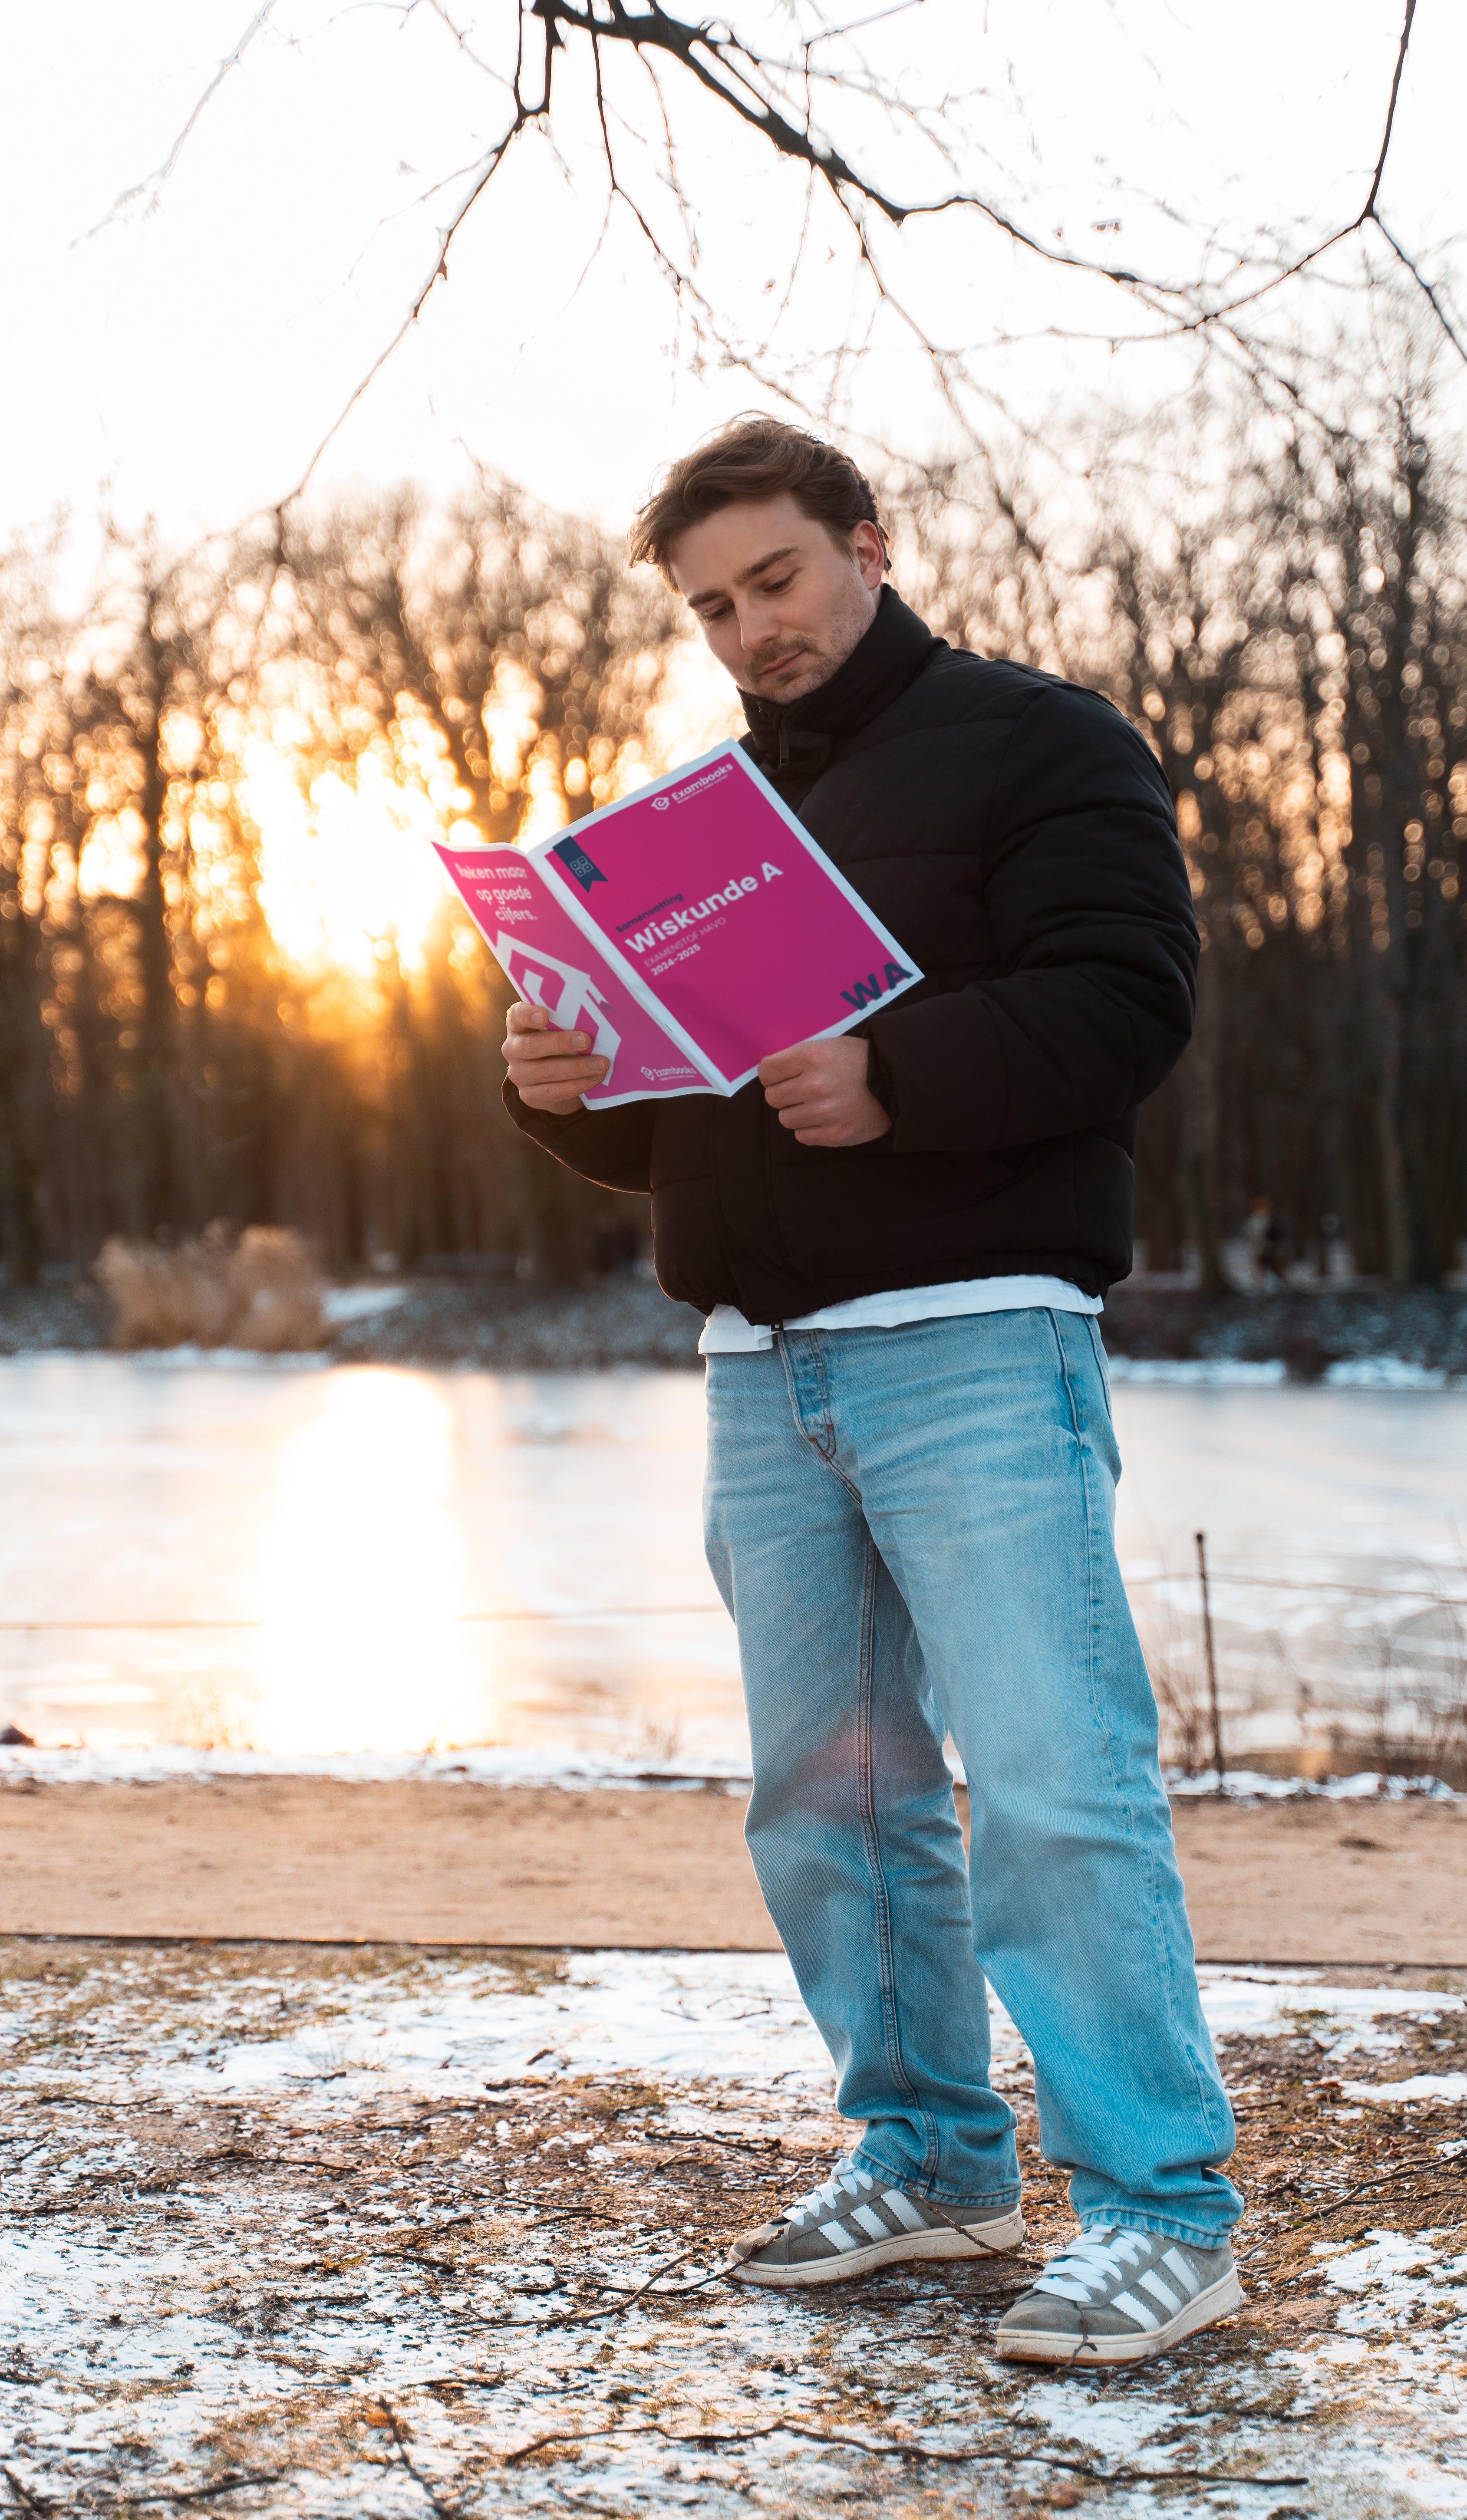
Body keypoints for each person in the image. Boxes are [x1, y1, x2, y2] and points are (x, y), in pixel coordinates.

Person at [501, 418, 1242, 2366]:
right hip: (763, 1373)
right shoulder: (693, 831)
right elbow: (697, 1145)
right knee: (831, 1802)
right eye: (712, 606)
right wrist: (563, 1092)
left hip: (980, 1343)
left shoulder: (1041, 743)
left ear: (867, 545)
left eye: (778, 580)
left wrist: (902, 1072)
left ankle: (1160, 2207)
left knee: (1057, 1792)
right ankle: (928, 2157)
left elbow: (1128, 999)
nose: (752, 628)